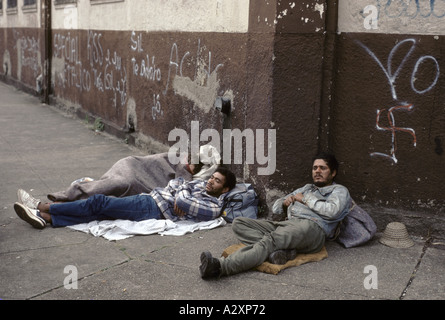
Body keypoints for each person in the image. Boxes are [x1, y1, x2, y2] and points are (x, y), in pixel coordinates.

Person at [199, 152, 352, 279]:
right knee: (239, 223)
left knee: (269, 240)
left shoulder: (339, 191)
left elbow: (333, 211)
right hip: (288, 225)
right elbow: (277, 208)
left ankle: (220, 267)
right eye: (315, 168)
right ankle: (284, 251)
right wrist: (285, 202)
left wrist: (304, 199)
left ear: (333, 173)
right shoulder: (306, 188)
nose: (317, 171)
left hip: (312, 227)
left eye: (322, 168)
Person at [14, 166, 236, 230]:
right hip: (152, 198)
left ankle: (43, 206)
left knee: (99, 202)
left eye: (217, 181)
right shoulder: (197, 185)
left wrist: (182, 195)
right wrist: (182, 192)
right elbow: (175, 183)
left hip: (152, 207)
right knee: (99, 212)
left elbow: (185, 200)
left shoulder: (213, 206)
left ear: (224, 190)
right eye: (212, 177)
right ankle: (47, 218)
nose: (210, 181)